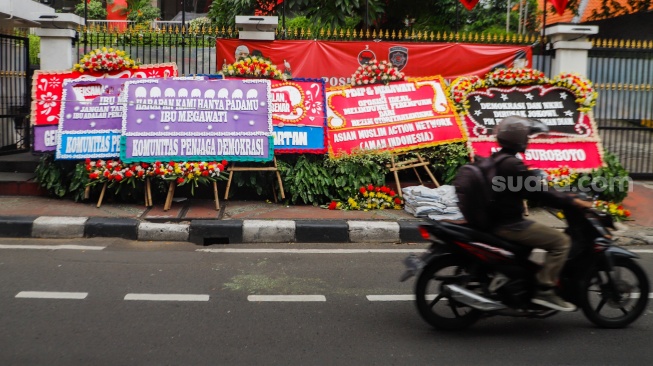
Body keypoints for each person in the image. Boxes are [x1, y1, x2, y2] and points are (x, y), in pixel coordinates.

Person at [490, 116, 593, 312]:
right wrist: (570, 201)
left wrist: (559, 195)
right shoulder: (512, 165)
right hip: (510, 225)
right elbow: (539, 192)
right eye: (527, 137)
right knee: (561, 242)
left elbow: (534, 188)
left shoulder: (500, 159)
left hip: (499, 220)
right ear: (519, 139)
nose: (529, 140)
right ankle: (545, 289)